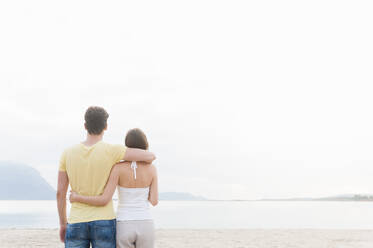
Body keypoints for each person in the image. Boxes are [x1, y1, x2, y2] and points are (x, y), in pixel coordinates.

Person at [57, 106, 156, 248]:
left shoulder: (67, 153)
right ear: (106, 127)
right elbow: (150, 156)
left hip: (76, 221)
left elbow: (60, 193)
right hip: (104, 221)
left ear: (85, 126)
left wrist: (62, 223)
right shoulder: (112, 151)